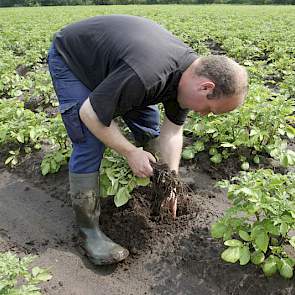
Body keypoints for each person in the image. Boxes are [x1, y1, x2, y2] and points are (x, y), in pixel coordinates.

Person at [47, 14, 248, 266]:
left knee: (148, 127)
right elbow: (89, 114)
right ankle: (90, 232)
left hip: (119, 68)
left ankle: (155, 192)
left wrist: (171, 184)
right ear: (206, 87)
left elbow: (173, 131)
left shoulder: (189, 75)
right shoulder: (147, 75)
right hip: (74, 60)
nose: (204, 115)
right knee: (90, 141)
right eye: (210, 109)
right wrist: (130, 151)